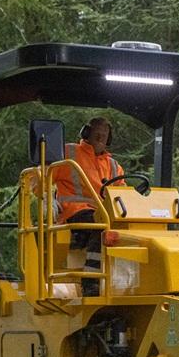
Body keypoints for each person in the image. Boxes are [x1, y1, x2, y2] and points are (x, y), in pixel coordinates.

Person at [52, 117, 125, 295]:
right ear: (86, 133)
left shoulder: (114, 166)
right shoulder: (68, 153)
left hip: (103, 215)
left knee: (128, 230)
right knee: (100, 227)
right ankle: (91, 283)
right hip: (74, 212)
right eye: (97, 132)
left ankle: (125, 282)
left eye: (105, 133)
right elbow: (38, 177)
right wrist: (47, 198)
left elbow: (123, 195)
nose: (101, 136)